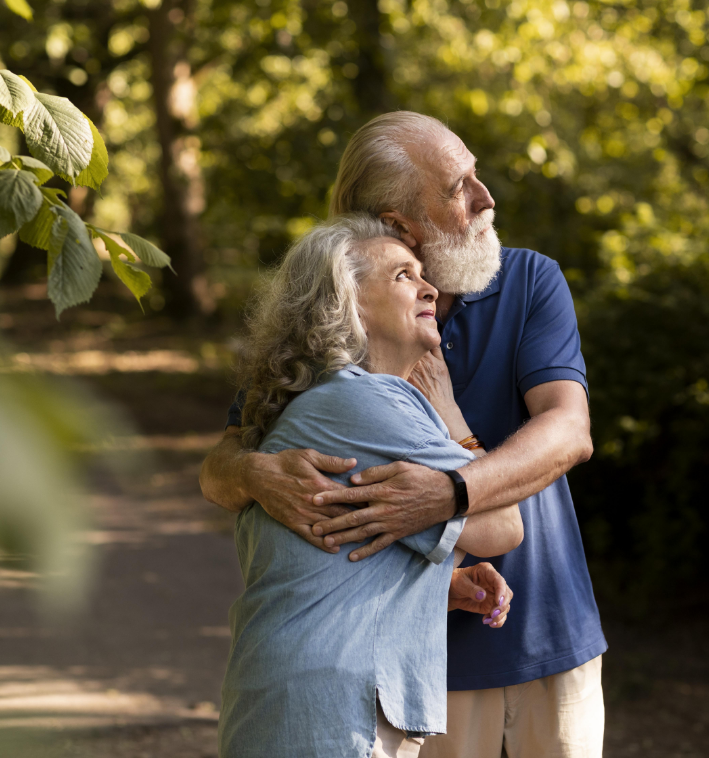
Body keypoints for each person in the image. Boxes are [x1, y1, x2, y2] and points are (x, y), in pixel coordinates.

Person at [201, 112, 606, 758]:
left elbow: (569, 432)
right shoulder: (334, 335)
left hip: (546, 631)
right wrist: (252, 474)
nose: (485, 197)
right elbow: (226, 461)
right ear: (397, 224)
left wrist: (447, 494)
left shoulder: (528, 282)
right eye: (458, 186)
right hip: (414, 662)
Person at [219, 214, 523, 758]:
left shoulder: (321, 404)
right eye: (404, 275)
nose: (431, 287)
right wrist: (453, 418)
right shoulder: (367, 402)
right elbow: (504, 525)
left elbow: (330, 567)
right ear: (348, 300)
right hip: (334, 716)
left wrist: (433, 586)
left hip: (301, 707)